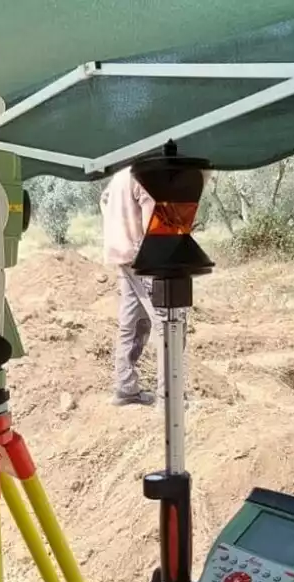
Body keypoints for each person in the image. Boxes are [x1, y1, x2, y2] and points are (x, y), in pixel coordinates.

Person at [100, 166, 189, 406]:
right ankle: (170, 397)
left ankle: (125, 387)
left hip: (122, 255)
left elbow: (104, 198)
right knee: (170, 323)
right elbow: (156, 223)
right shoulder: (150, 173)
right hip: (145, 257)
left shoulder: (123, 172)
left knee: (131, 322)